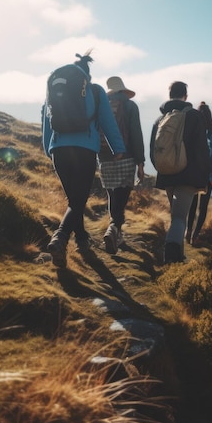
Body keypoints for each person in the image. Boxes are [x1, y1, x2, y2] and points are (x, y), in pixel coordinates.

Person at [42, 52, 125, 268]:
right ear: (87, 76)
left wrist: (48, 149)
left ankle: (80, 239)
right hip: (84, 150)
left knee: (74, 199)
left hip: (59, 150)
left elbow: (46, 121)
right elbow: (108, 122)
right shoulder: (96, 91)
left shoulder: (54, 90)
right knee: (78, 201)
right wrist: (118, 148)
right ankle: (60, 238)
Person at [150, 81, 211, 264]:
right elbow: (201, 148)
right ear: (185, 96)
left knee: (177, 215)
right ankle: (172, 256)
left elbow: (154, 150)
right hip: (189, 174)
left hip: (167, 173)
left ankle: (179, 256)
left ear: (170, 95)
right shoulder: (194, 116)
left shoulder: (160, 119)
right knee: (179, 217)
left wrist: (163, 167)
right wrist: (205, 173)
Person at [98, 76, 145, 255]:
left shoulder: (100, 107)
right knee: (121, 199)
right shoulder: (131, 106)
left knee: (113, 198)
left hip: (105, 159)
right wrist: (140, 163)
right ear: (124, 91)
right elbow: (135, 134)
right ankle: (113, 229)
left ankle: (118, 234)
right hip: (126, 158)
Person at [186, 102, 212, 247]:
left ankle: (188, 231)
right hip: (206, 177)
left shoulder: (190, 131)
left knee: (191, 205)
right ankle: (195, 236)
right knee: (202, 208)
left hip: (190, 175)